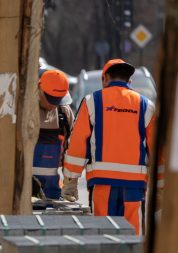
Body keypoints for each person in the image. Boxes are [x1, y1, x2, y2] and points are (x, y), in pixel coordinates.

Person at [62, 59, 155, 234]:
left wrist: (70, 181)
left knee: (104, 236)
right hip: (134, 187)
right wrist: (162, 186)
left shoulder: (92, 102)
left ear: (104, 78)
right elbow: (158, 150)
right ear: (130, 81)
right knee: (132, 236)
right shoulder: (146, 106)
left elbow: (77, 145)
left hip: (102, 185)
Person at [32, 69, 74, 199]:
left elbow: (71, 151)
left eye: (58, 100)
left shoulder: (64, 113)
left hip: (52, 191)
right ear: (39, 87)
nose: (53, 104)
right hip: (21, 189)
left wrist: (70, 183)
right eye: (50, 99)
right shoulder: (24, 109)